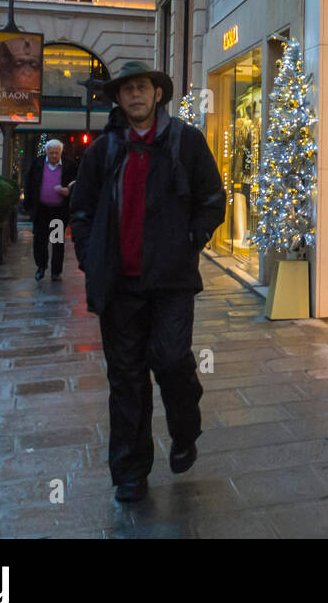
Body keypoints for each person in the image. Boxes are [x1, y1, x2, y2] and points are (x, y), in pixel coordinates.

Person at [69, 62, 225, 503]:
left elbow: (213, 199)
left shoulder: (186, 142)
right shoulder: (104, 151)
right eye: (127, 90)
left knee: (172, 360)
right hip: (119, 285)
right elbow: (81, 211)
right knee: (126, 380)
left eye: (143, 88)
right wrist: (89, 258)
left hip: (171, 281)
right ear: (118, 99)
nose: (135, 96)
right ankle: (130, 473)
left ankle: (185, 430)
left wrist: (191, 239)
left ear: (158, 95)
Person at [24, 139, 77, 281]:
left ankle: (56, 271)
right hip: (41, 210)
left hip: (58, 211)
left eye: (57, 153)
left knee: (57, 241)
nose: (54, 156)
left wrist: (68, 191)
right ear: (46, 152)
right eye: (51, 152)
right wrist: (28, 205)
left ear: (61, 153)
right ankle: (41, 266)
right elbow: (29, 183)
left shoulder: (69, 165)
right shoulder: (38, 164)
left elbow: (77, 183)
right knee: (39, 239)